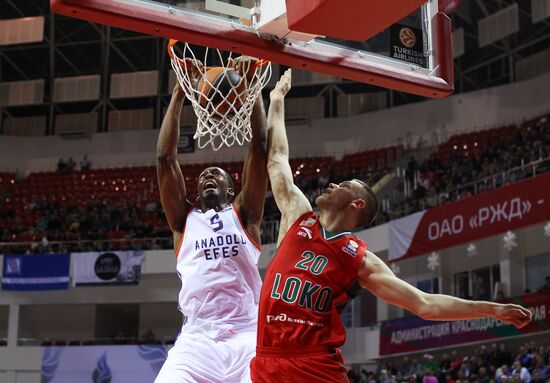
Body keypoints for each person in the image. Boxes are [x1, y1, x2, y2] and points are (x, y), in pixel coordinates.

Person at [250, 69, 533, 383]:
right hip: (266, 360)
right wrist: (276, 99)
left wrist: (491, 310)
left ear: (357, 203)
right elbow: (276, 158)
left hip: (313, 366)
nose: (331, 183)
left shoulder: (360, 259)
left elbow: (425, 304)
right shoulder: (297, 217)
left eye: (343, 184)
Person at [154, 57, 268, 383]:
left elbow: (259, 147)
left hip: (247, 335)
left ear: (232, 188)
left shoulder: (244, 215)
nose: (208, 177)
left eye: (216, 174)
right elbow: (164, 158)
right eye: (203, 175)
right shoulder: (182, 222)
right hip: (197, 339)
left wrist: (251, 88)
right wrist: (179, 92)